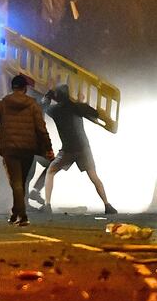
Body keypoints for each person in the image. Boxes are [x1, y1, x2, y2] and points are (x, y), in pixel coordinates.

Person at [0, 75, 55, 225]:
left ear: (12, 87)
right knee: (21, 182)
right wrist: (48, 148)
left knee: (16, 182)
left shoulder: (2, 104)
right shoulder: (33, 104)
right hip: (28, 149)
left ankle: (22, 216)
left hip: (9, 149)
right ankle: (16, 212)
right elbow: (41, 129)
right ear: (25, 88)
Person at [42, 84, 118, 215]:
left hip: (68, 149)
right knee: (94, 176)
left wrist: (49, 94)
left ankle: (47, 205)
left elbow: (44, 105)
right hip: (83, 147)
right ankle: (107, 205)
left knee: (51, 172)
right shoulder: (76, 107)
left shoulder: (55, 110)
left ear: (57, 97)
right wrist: (82, 102)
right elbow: (95, 113)